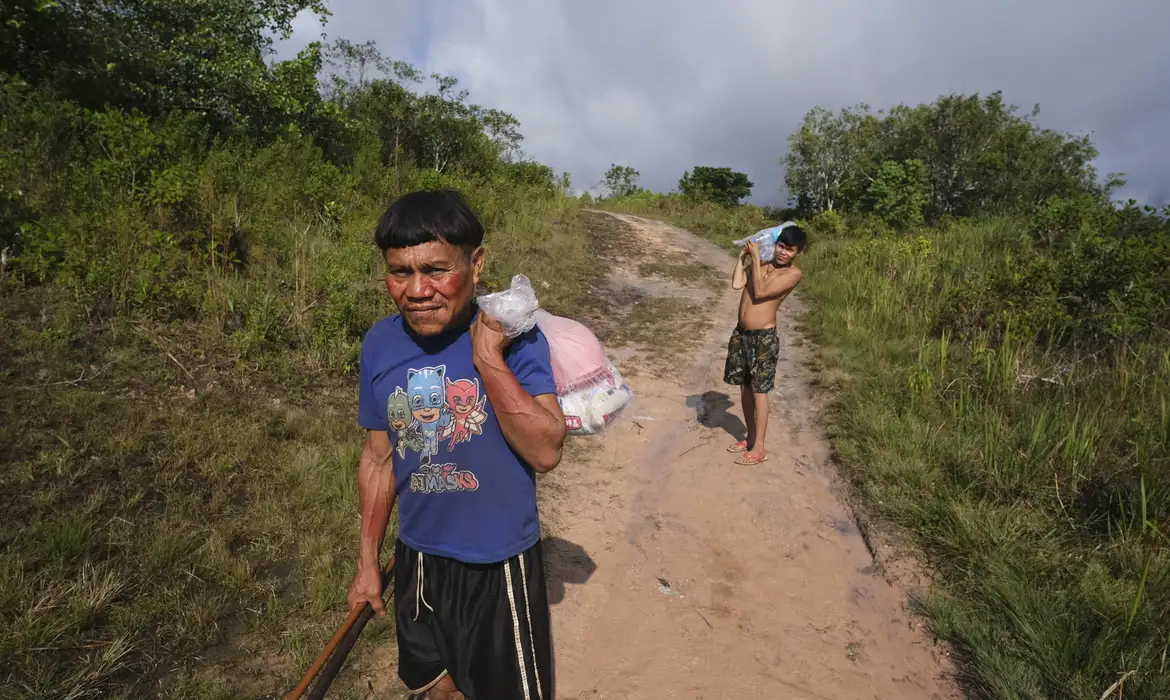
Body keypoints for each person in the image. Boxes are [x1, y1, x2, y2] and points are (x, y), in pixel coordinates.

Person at [347, 189, 566, 700]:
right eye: (400, 272)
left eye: (436, 270)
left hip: (498, 566)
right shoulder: (379, 343)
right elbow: (378, 459)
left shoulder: (517, 338)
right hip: (418, 562)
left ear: (476, 263)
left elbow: (546, 450)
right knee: (434, 690)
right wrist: (366, 563)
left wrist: (488, 358)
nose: (418, 290)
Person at [724, 224, 806, 465]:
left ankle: (759, 448)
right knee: (744, 387)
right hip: (742, 335)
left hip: (764, 339)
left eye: (790, 250)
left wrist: (758, 257)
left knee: (760, 391)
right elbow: (738, 284)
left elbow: (760, 292)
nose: (783, 253)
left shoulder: (793, 275)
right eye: (781, 246)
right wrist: (743, 259)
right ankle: (749, 438)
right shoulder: (762, 264)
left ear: (797, 252)